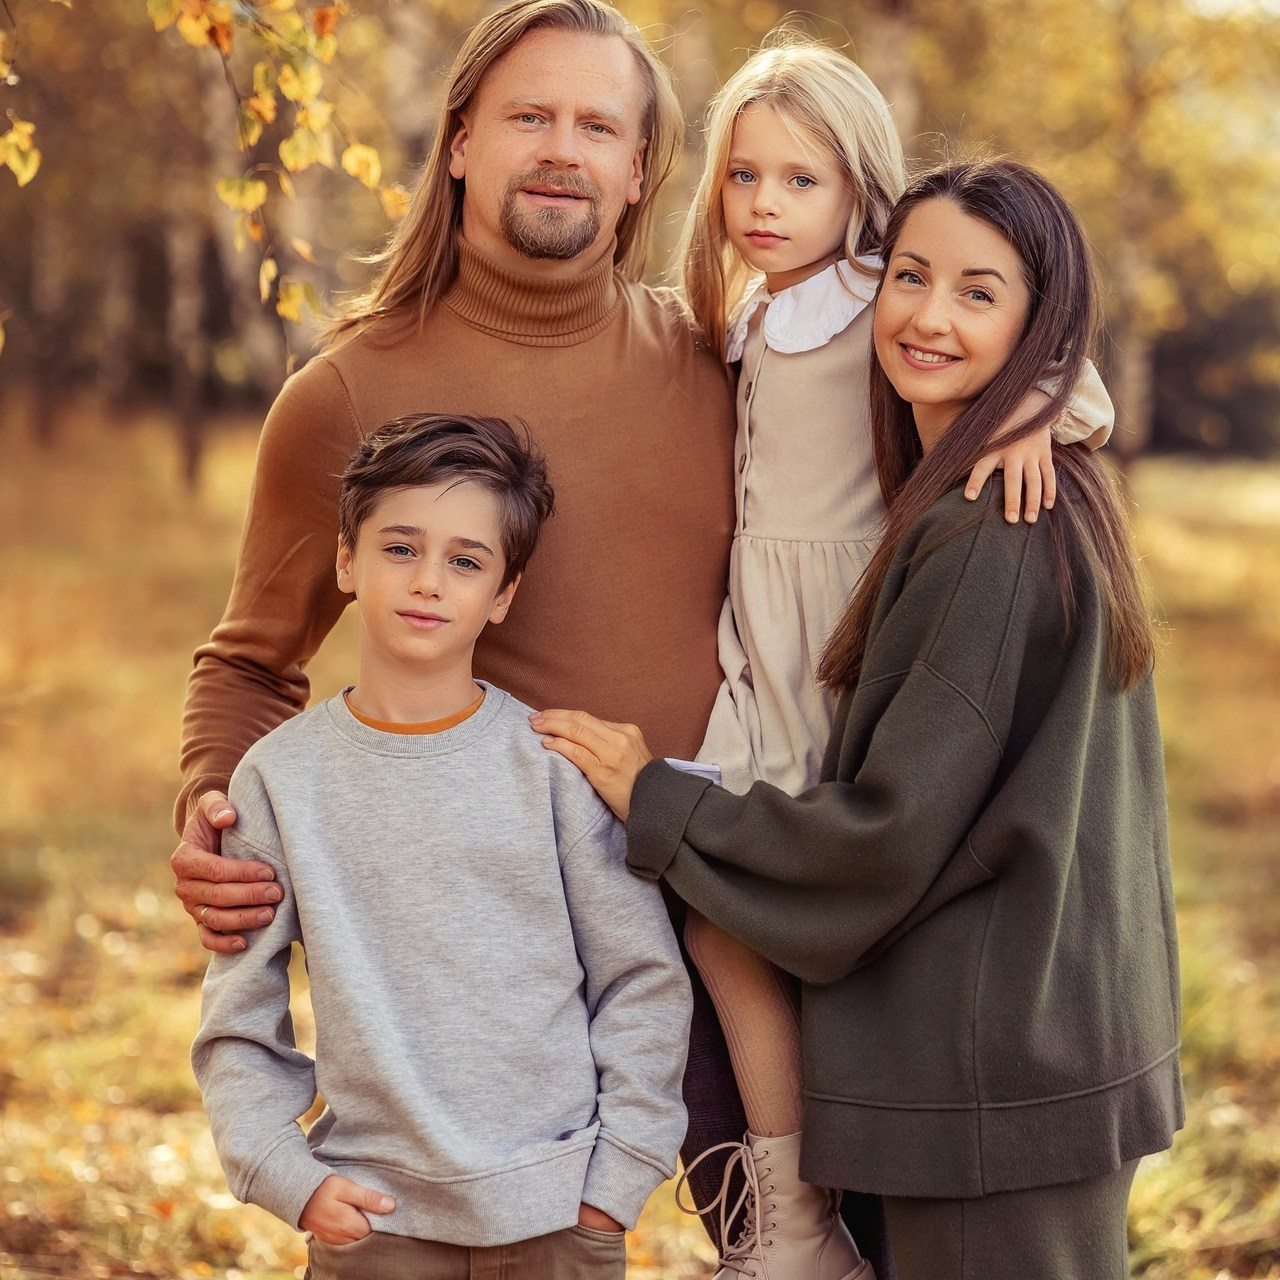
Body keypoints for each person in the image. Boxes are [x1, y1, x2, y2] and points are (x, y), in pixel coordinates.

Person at [534, 158, 1184, 1280]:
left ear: (1041, 326)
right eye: (910, 276)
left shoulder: (995, 524)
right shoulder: (998, 479)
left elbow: (883, 837)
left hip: (984, 1082)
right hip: (1009, 1056)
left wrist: (662, 799)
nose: (927, 316)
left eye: (978, 293)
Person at [170, 0, 755, 1242]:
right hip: (498, 964)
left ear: (639, 166)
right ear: (458, 143)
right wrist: (214, 812)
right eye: (528, 116)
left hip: (732, 906)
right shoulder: (344, 391)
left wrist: (1044, 405)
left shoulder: (720, 364)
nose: (562, 148)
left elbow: (934, 361)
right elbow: (251, 657)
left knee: (794, 1240)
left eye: (598, 124)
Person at [648, 38, 1113, 1280]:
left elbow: (1051, 362)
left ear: (858, 188)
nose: (762, 205)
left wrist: (1033, 403)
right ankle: (789, 1202)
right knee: (714, 916)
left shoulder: (877, 292)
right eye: (742, 177)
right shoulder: (743, 313)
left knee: (775, 899)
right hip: (760, 639)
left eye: (799, 181)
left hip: (836, 641)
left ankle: (818, 1207)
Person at [192, 413, 692, 1280]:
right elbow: (239, 1012)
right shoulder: (277, 781)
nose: (428, 582)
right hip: (371, 1225)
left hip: (560, 1221)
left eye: (466, 561)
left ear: (503, 594)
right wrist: (283, 1171)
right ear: (346, 561)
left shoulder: (553, 773)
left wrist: (617, 1178)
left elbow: (641, 981)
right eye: (399, 549)